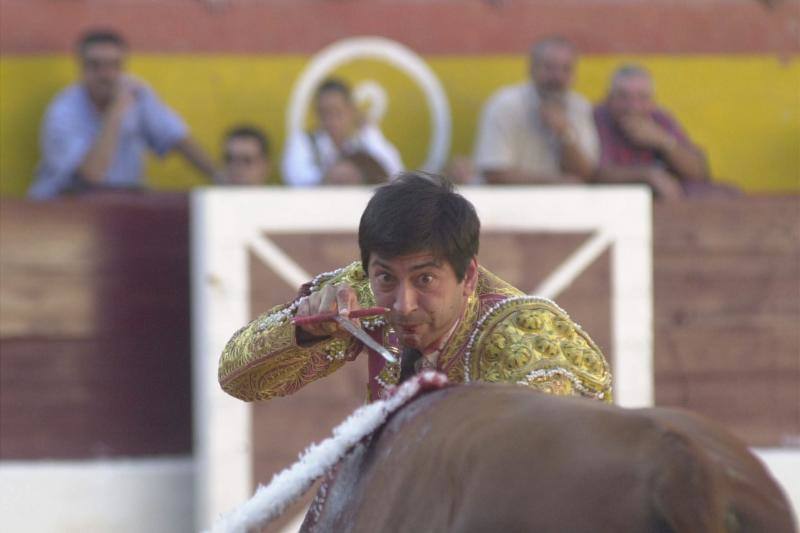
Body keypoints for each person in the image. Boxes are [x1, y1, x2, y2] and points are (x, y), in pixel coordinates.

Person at [218, 172, 612, 404]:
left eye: (425, 279)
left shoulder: (525, 339)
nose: (403, 305)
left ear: (469, 277)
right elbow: (237, 378)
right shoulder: (363, 293)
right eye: (386, 277)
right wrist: (305, 332)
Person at [28, 29, 219, 199]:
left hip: (122, 201)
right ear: (81, 68)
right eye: (95, 65)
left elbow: (177, 138)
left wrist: (220, 178)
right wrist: (116, 111)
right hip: (66, 207)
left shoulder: (137, 92)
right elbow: (91, 176)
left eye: (114, 65)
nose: (105, 74)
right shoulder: (62, 111)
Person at [473, 36, 599, 184]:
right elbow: (493, 173)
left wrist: (565, 134)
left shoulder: (580, 107)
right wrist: (556, 183)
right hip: (506, 201)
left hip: (562, 202)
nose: (557, 77)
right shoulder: (505, 104)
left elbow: (587, 174)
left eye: (566, 69)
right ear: (531, 69)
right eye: (549, 67)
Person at [592, 65, 712, 200]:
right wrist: (649, 175)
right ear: (609, 98)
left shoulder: (659, 119)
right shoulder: (598, 118)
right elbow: (594, 174)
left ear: (652, 102)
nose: (633, 106)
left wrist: (664, 141)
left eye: (642, 98)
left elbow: (699, 172)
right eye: (623, 96)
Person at [281, 78, 403, 186]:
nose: (331, 119)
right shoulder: (303, 142)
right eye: (324, 113)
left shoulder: (365, 140)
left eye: (338, 112)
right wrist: (332, 176)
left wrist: (370, 132)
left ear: (351, 110)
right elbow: (296, 178)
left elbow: (395, 173)